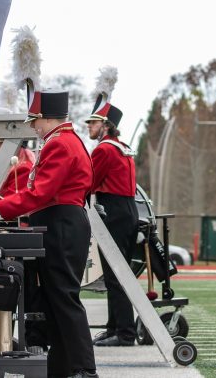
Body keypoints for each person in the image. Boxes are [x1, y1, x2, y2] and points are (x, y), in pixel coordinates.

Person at [0, 89, 98, 378]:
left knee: (64, 298)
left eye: (36, 120)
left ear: (46, 118)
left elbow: (41, 192)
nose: (33, 126)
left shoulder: (60, 144)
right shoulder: (65, 141)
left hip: (61, 223)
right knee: (55, 299)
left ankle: (84, 369)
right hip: (60, 222)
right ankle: (63, 367)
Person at [86, 99, 138, 348]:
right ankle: (114, 327)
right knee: (115, 275)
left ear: (105, 125)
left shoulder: (104, 150)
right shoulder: (121, 146)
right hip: (127, 210)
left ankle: (125, 333)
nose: (88, 126)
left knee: (115, 276)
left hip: (115, 212)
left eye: (93, 122)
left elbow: (89, 182)